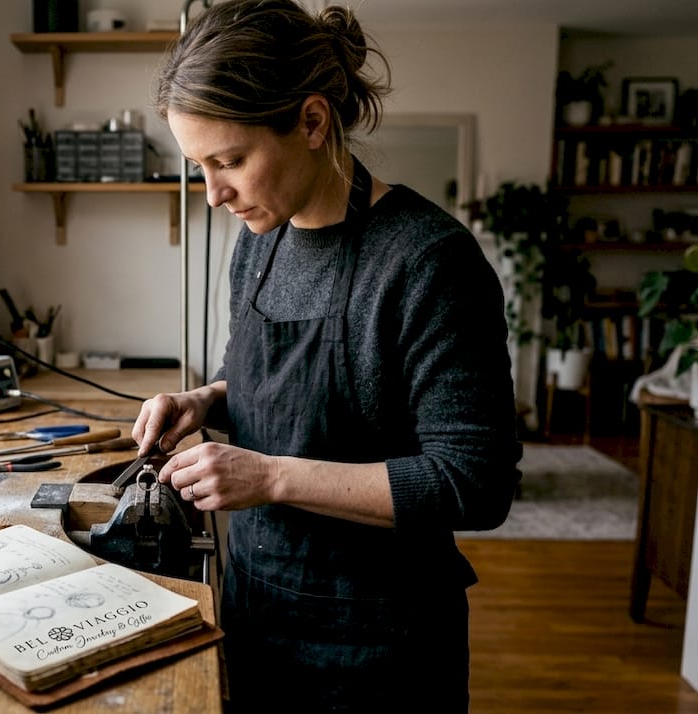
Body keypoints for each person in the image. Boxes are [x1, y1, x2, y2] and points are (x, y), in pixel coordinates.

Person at [135, 0, 522, 710]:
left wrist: (272, 477)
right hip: (255, 608)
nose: (215, 194)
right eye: (200, 167)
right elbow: (249, 376)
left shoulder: (427, 262)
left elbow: (475, 484)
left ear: (312, 123)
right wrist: (203, 401)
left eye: (230, 161)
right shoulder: (260, 238)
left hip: (381, 647)